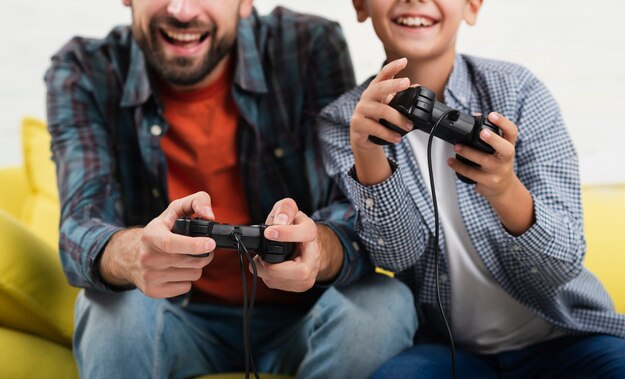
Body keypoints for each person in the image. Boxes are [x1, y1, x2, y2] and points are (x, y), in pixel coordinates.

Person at [45, 1, 418, 378]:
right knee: (110, 310)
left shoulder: (308, 44)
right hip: (173, 319)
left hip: (305, 317)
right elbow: (80, 225)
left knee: (385, 304)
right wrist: (132, 254)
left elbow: (350, 210)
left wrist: (318, 249)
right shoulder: (83, 69)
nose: (183, 11)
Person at [318, 0, 625, 377]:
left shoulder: (518, 91)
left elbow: (562, 262)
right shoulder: (343, 121)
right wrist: (368, 154)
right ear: (361, 5)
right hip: (451, 351)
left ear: (473, 6)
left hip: (566, 335)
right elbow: (397, 256)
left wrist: (504, 189)